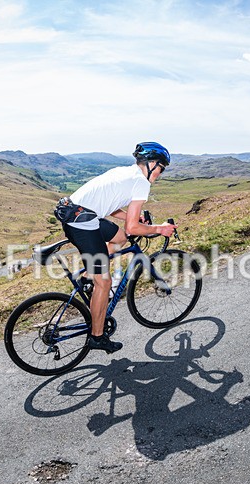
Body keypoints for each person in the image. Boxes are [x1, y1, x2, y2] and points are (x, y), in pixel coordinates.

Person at [53, 142, 177, 354]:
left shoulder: (125, 172)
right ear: (152, 164)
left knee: (119, 237)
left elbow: (110, 208)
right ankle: (97, 337)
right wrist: (161, 229)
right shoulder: (141, 183)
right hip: (83, 225)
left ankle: (87, 276)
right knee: (104, 282)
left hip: (78, 215)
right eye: (161, 168)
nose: (161, 173)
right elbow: (133, 227)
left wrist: (134, 217)